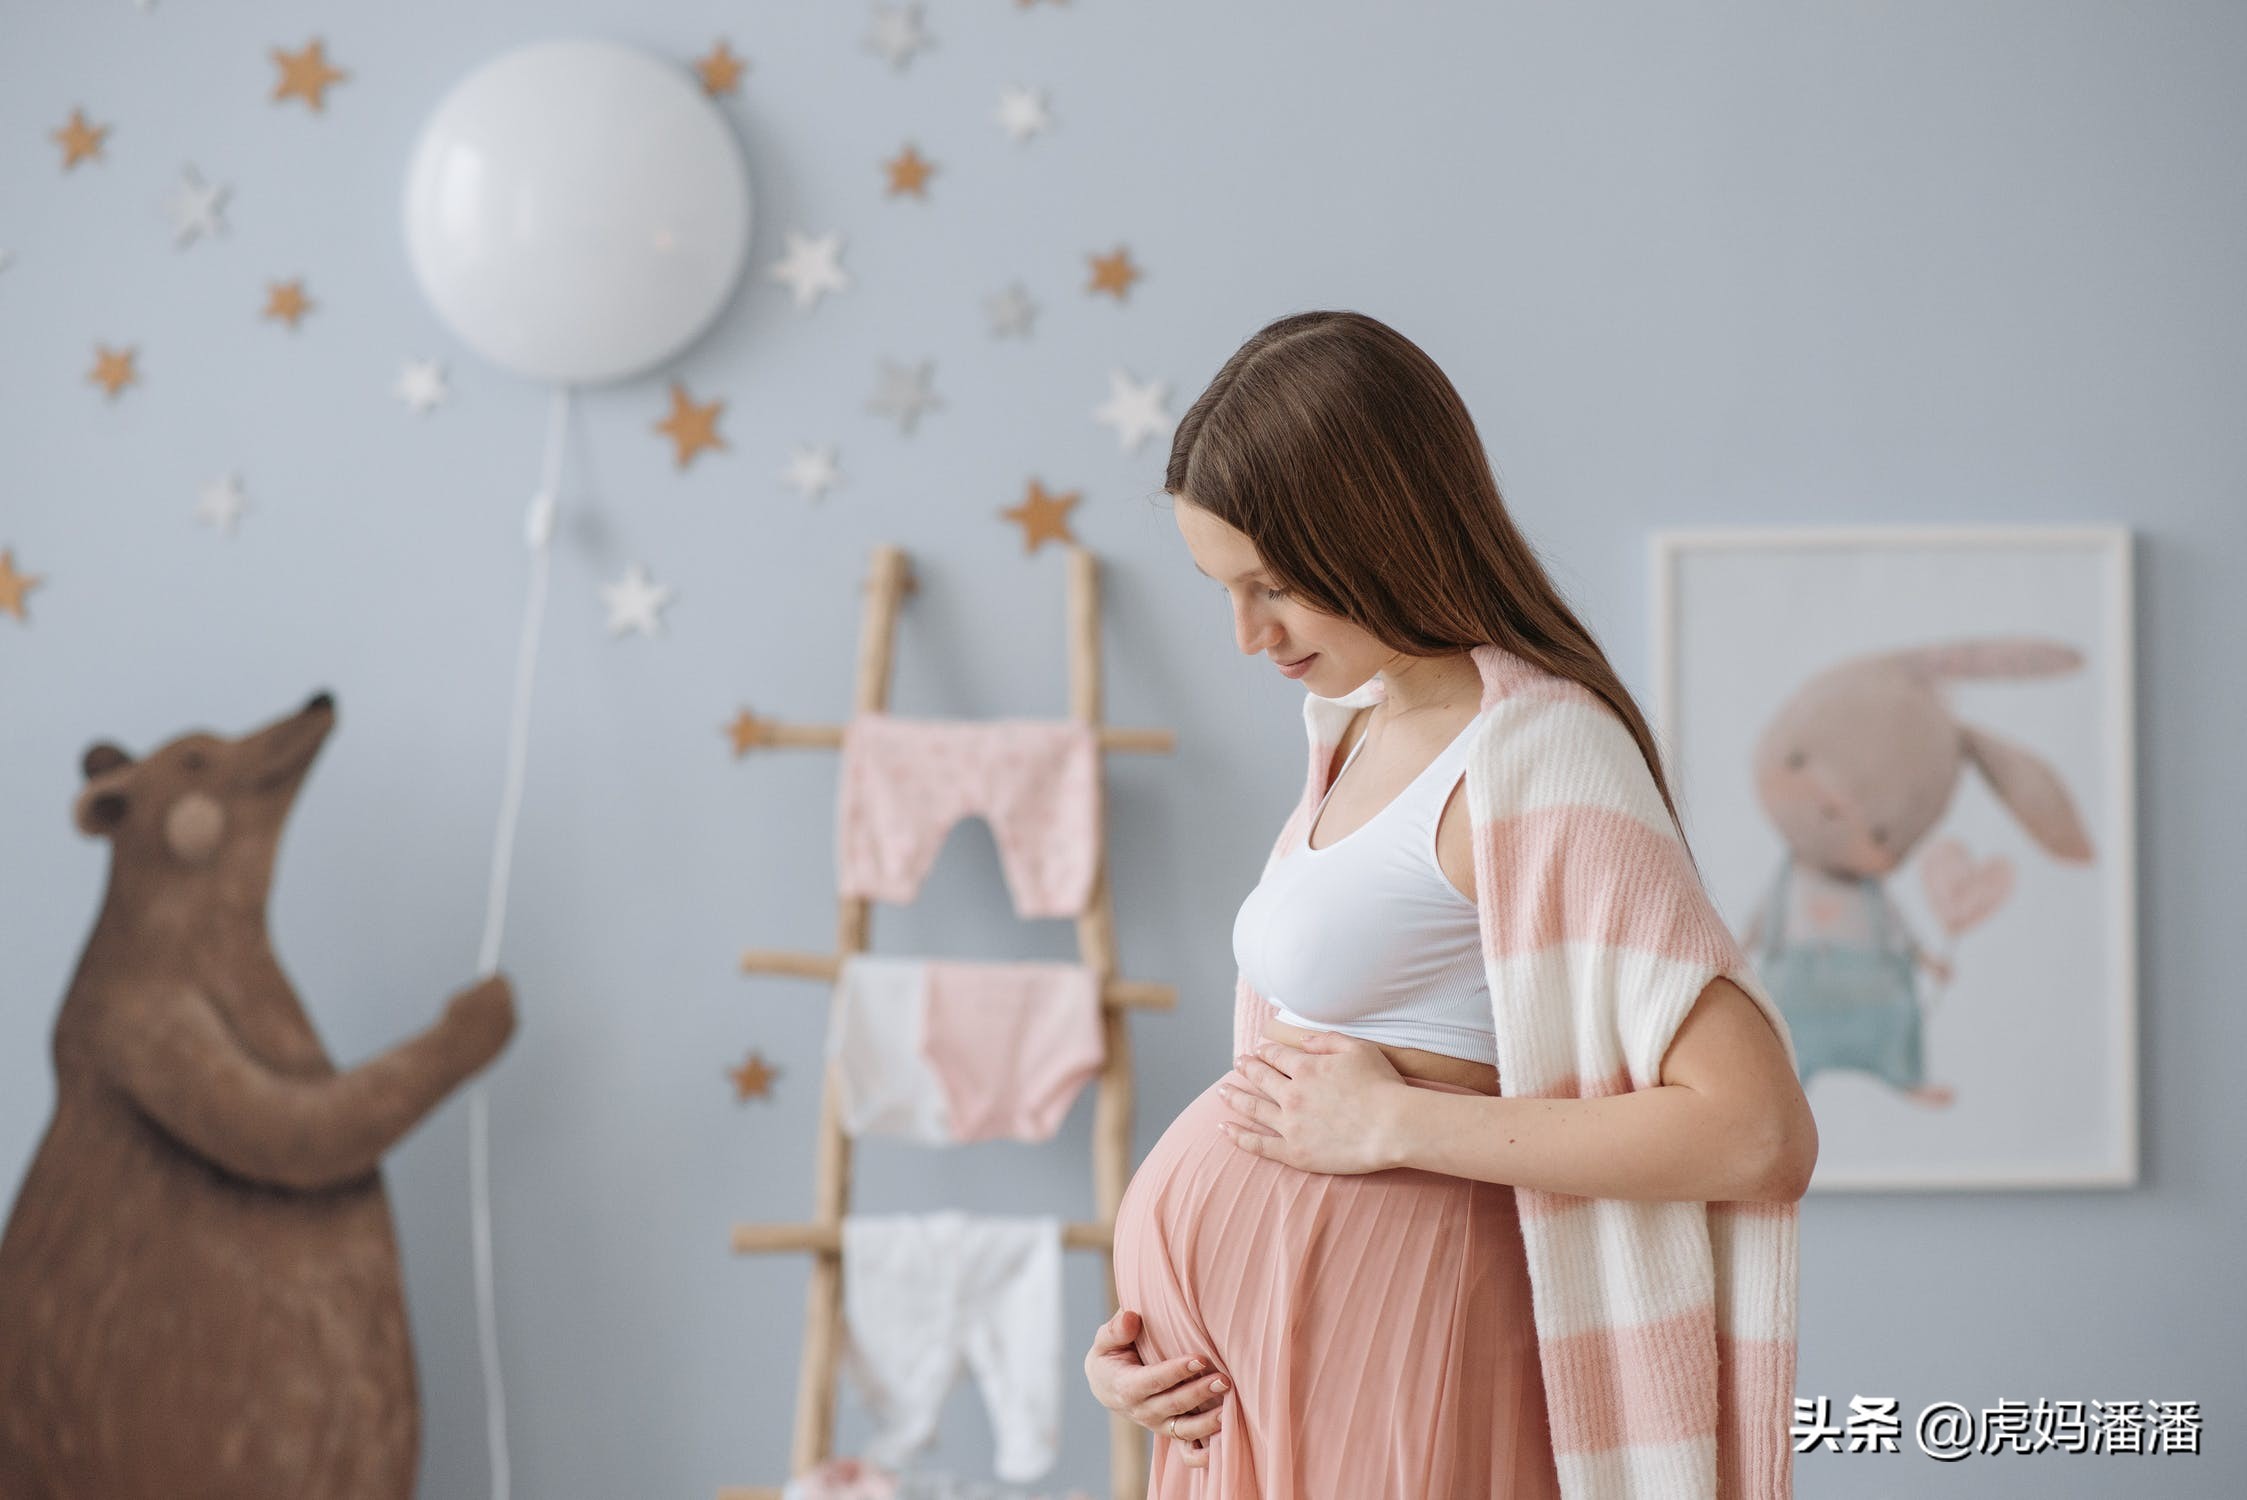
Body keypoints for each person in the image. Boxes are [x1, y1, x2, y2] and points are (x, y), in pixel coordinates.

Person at [1083, 310, 1816, 1497]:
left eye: (1274, 587)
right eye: (1223, 588)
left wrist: (1401, 1129)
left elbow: (1759, 1132)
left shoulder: (1538, 757)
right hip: (1263, 1387)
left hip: (1405, 1353)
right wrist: (1149, 1343)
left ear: (1381, 533)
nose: (1247, 635)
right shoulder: (1359, 729)